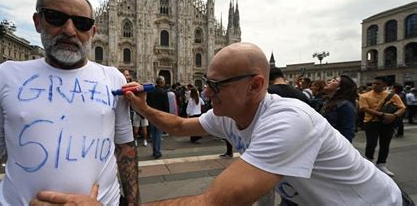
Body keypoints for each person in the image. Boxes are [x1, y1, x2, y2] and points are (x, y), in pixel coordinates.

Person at [34, 42, 405, 205]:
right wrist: (141, 106)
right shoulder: (230, 115)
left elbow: (216, 201)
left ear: (256, 86)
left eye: (214, 86)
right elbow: (179, 126)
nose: (206, 93)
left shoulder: (289, 121)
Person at [0, 0, 139, 205]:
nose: (69, 30)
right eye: (56, 17)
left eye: (81, 23)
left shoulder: (114, 79)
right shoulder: (2, 77)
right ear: (38, 21)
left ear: (93, 31)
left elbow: (125, 149)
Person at [359, 76, 406, 177]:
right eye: (374, 83)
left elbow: (402, 108)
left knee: (385, 144)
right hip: (371, 122)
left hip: (387, 123)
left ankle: (381, 164)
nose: (374, 85)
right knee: (371, 143)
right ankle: (369, 162)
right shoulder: (364, 96)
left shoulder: (393, 96)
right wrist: (383, 115)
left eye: (378, 83)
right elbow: (364, 109)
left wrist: (394, 116)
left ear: (385, 85)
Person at [319, 75, 357, 142]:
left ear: (339, 88)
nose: (329, 81)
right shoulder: (326, 101)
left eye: (334, 80)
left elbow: (347, 133)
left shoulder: (346, 106)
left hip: (333, 145)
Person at [146, 76, 169, 159]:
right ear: (162, 82)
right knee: (158, 134)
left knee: (153, 134)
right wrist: (167, 117)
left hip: (152, 115)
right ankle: (157, 152)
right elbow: (166, 105)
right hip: (160, 116)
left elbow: (147, 103)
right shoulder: (164, 92)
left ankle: (154, 151)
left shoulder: (151, 91)